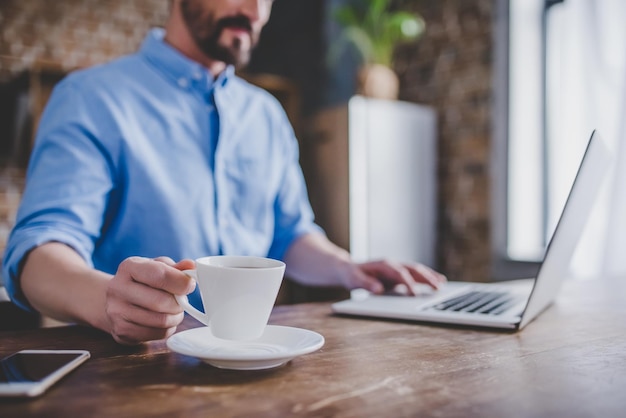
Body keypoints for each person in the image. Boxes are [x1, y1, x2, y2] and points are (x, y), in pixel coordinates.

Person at [2, 0, 446, 345]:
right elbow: (38, 254)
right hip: (128, 373)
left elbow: (290, 235)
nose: (254, 11)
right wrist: (107, 301)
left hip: (256, 366)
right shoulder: (89, 97)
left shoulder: (267, 115)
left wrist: (351, 269)